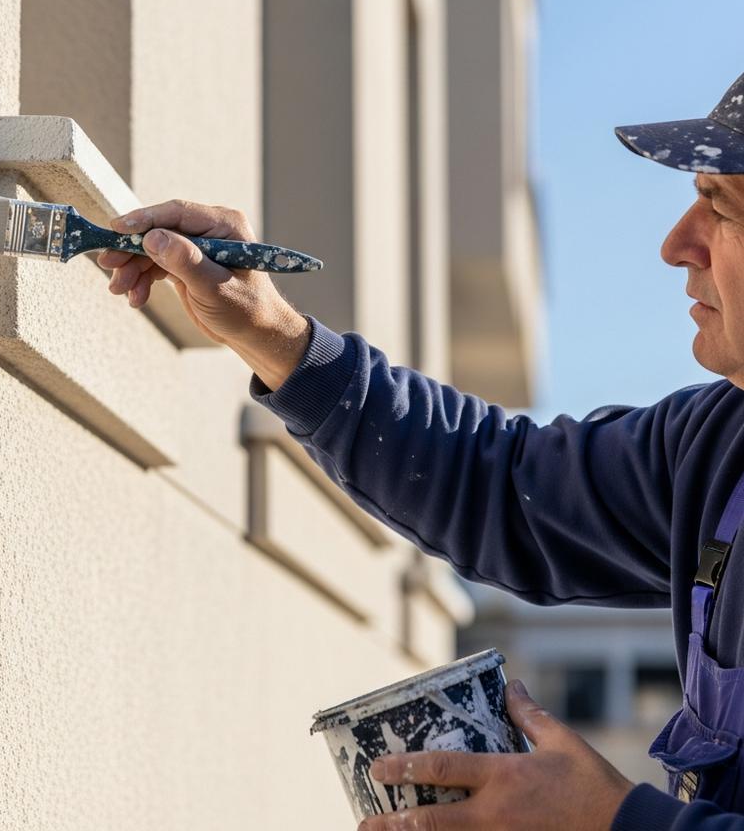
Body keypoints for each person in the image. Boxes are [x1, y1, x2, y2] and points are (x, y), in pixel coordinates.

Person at [96, 72, 744, 830]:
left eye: (721, 207)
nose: (676, 245)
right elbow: (500, 485)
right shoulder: (716, 447)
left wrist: (609, 822)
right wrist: (272, 332)